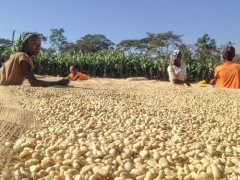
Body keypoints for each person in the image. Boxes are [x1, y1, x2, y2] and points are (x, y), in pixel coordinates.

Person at [0, 32, 69, 87]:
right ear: (23, 45)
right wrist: (59, 82)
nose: (38, 46)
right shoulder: (22, 56)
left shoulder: (16, 56)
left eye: (39, 44)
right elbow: (34, 82)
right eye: (34, 43)